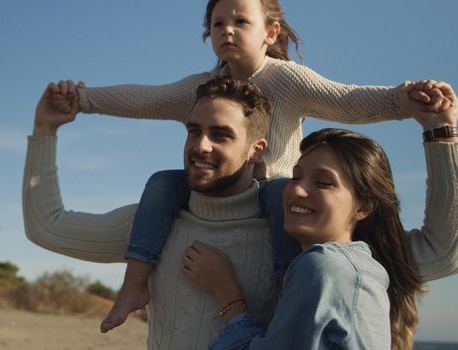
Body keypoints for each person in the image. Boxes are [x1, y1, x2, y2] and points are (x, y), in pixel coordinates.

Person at [49, 0, 452, 332]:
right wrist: (84, 99)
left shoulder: (289, 80)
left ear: (270, 32)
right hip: (222, 187)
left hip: (278, 196)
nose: (227, 29)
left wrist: (406, 100)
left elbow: (347, 100)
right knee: (162, 183)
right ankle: (135, 284)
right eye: (218, 23)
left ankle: (285, 282)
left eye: (241, 20)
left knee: (277, 190)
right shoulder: (202, 89)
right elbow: (143, 98)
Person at [22, 77, 458, 349]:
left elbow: (443, 251)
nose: (201, 145)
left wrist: (441, 135)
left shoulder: (298, 234)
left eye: (220, 134)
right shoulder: (152, 226)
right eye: (194, 130)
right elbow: (48, 227)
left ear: (256, 150)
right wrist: (45, 131)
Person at [182, 92, 458, 349]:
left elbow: (444, 249)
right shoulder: (356, 265)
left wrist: (227, 294)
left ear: (364, 207)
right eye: (296, 176)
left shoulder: (326, 266)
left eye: (324, 182)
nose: (298, 190)